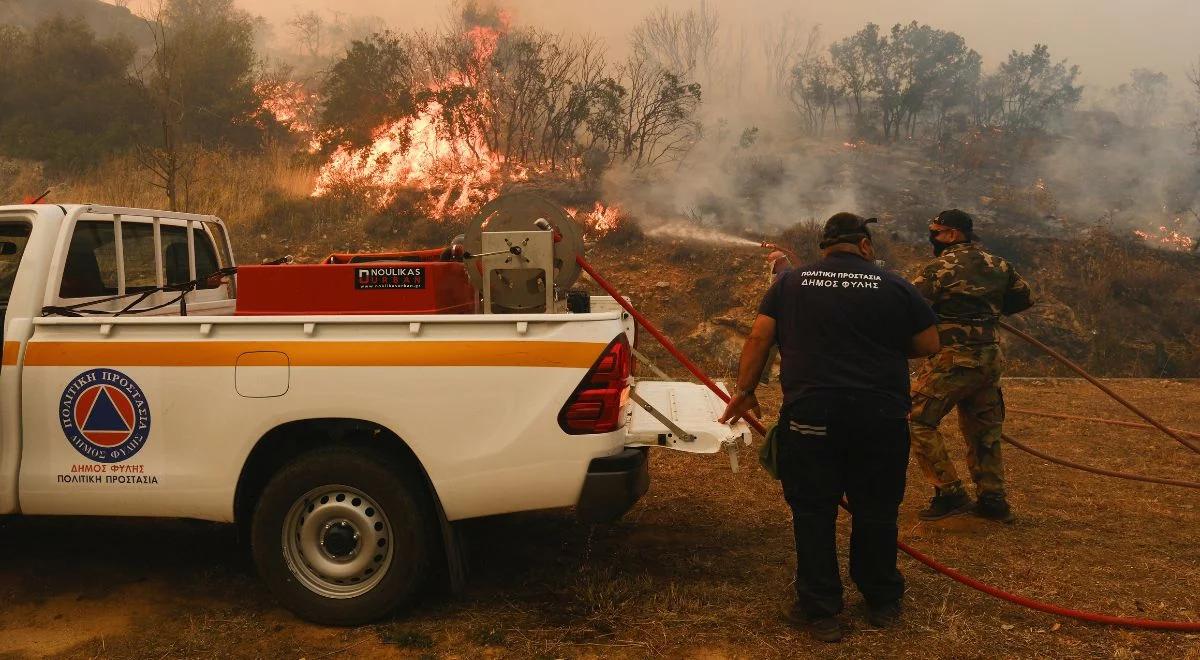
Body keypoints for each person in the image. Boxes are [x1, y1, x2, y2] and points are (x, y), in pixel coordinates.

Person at [719, 213, 940, 642]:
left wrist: (745, 390)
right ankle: (881, 601)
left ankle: (821, 611)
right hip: (881, 417)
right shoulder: (895, 285)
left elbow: (759, 337)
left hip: (812, 416)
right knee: (876, 509)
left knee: (813, 511)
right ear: (865, 245)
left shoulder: (789, 283)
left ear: (824, 246)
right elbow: (929, 344)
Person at [909, 209, 1033, 523]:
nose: (932, 237)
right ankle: (992, 500)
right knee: (984, 432)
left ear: (951, 234)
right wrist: (988, 309)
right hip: (989, 361)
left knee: (917, 419)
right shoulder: (999, 265)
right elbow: (1023, 298)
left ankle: (949, 491)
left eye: (935, 232)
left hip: (952, 360)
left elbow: (911, 306)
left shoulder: (938, 268)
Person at [759, 249, 794, 385]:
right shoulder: (786, 274)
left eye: (771, 262)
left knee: (770, 347)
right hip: (785, 319)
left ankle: (763, 378)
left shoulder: (786, 276)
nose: (770, 266)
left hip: (782, 319)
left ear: (779, 261)